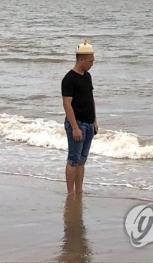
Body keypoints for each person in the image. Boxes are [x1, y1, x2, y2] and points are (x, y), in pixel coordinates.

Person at [62, 39, 97, 195]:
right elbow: (67, 104)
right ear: (81, 59)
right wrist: (75, 127)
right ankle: (71, 193)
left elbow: (91, 98)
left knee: (82, 161)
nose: (92, 63)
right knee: (73, 160)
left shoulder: (87, 76)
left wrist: (95, 120)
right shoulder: (69, 79)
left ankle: (79, 190)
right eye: (90, 60)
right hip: (76, 124)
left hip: (89, 123)